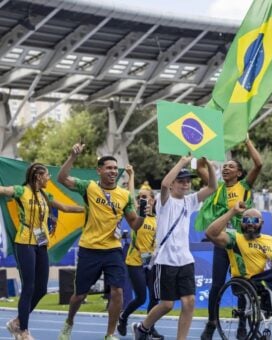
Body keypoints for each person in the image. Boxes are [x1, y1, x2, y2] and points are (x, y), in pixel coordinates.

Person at [57, 143, 148, 340]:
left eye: (115, 168)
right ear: (99, 170)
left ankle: (109, 334)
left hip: (113, 250)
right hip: (89, 249)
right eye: (109, 168)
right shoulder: (88, 187)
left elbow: (134, 225)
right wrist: (72, 156)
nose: (113, 171)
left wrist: (143, 215)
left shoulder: (124, 196)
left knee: (118, 292)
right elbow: (62, 178)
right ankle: (69, 321)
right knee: (79, 296)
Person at [133, 156, 217, 340]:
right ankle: (143, 327)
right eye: (181, 181)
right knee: (167, 304)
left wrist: (209, 165)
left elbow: (212, 187)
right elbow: (163, 185)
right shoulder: (164, 201)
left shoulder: (190, 201)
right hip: (165, 260)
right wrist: (182, 162)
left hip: (185, 260)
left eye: (188, 181)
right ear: (173, 184)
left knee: (189, 302)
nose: (186, 184)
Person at [0, 163, 84, 340]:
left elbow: (65, 207)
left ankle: (16, 322)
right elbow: (3, 190)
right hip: (24, 243)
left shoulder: (46, 195)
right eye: (47, 175)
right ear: (38, 176)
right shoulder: (21, 191)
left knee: (42, 288)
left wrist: (87, 209)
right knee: (29, 287)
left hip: (41, 244)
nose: (49, 178)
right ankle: (23, 331)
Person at [198, 138, 263, 340]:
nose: (226, 168)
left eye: (231, 166)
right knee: (216, 285)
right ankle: (211, 324)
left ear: (239, 173)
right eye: (224, 166)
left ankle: (243, 324)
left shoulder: (245, 186)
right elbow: (200, 166)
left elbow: (259, 164)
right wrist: (202, 144)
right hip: (222, 241)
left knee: (242, 283)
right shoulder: (215, 188)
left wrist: (247, 141)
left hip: (243, 242)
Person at [205, 202, 272, 338]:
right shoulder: (235, 238)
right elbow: (210, 233)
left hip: (263, 280)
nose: (250, 223)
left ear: (261, 223)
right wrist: (232, 212)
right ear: (241, 223)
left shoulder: (270, 240)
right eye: (246, 220)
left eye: (254, 220)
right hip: (245, 280)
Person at [116, 177, 163, 339]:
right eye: (140, 197)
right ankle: (123, 317)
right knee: (141, 297)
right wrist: (131, 175)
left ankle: (149, 326)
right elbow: (130, 196)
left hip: (151, 263)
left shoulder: (158, 218)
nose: (144, 199)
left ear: (153, 199)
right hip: (135, 261)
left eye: (147, 197)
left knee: (155, 297)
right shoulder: (136, 215)